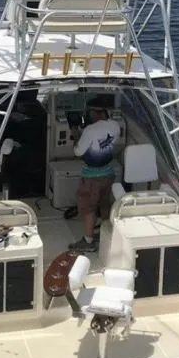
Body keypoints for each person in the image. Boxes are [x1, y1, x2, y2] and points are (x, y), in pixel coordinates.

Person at [68, 100, 121, 253]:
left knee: (88, 208)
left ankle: (88, 241)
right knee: (104, 205)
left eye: (90, 111)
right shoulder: (115, 126)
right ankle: (106, 235)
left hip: (92, 177)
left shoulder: (90, 130)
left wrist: (75, 133)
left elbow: (78, 151)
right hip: (108, 173)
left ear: (95, 112)